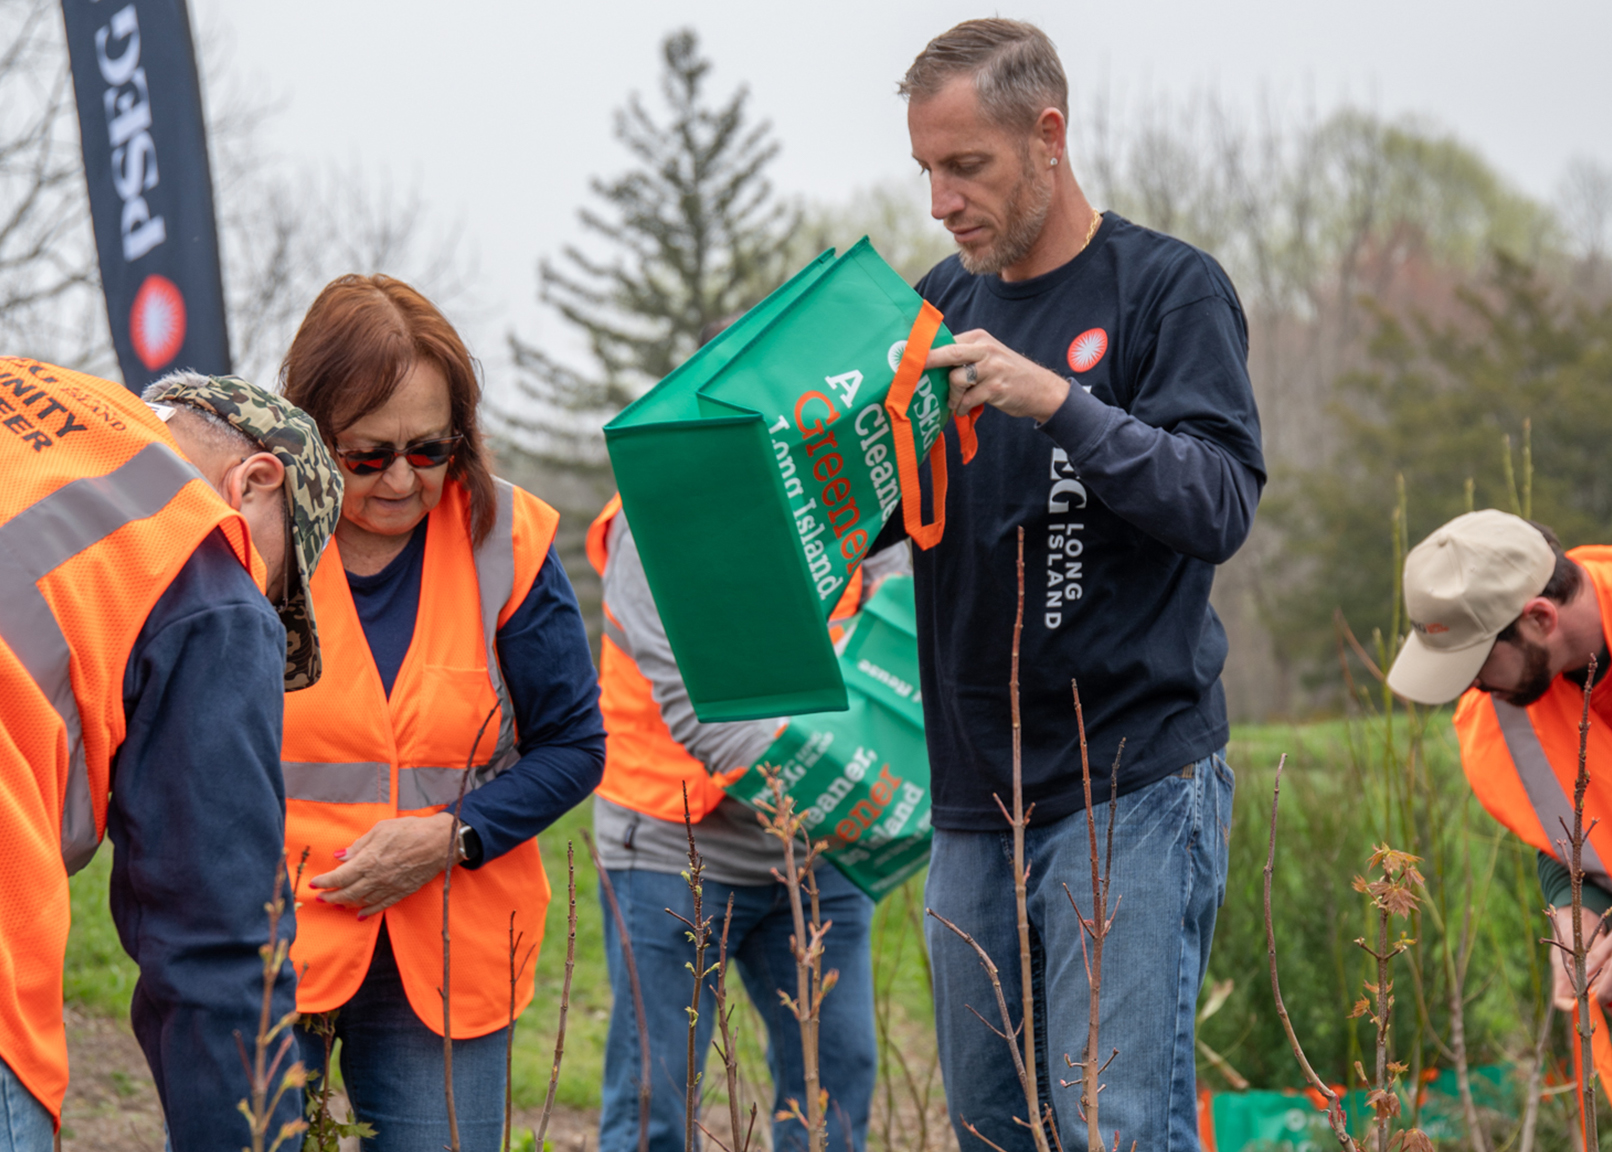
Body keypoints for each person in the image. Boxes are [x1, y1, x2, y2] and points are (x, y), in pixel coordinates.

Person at [878, 20, 1265, 1151]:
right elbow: (878, 513)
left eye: (968, 167)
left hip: (1132, 784)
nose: (941, 202)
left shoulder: (1167, 291)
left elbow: (1218, 503)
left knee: (1119, 1126)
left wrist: (1059, 404)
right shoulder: (935, 304)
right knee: (992, 1130)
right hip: (974, 794)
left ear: (1047, 137)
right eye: (926, 172)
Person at [276, 274, 605, 1152]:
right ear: (309, 433)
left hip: (450, 951)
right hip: (267, 944)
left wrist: (450, 835)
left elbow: (573, 745)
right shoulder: (244, 543)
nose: (401, 479)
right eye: (366, 455)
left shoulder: (510, 542)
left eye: (429, 450)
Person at [0, 360, 342, 1151]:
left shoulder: (30, 392)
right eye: (274, 577)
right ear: (254, 482)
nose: (253, 594)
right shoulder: (202, 562)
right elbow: (216, 931)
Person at [586, 315, 899, 1152]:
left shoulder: (836, 498)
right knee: (655, 1109)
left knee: (835, 1089)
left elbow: (894, 626)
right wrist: (847, 806)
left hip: (812, 851)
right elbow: (703, 713)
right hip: (671, 845)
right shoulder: (650, 520)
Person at [1386, 511, 1612, 1026]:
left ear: (1539, 619)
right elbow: (1566, 833)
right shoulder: (1506, 707)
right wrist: (1574, 909)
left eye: (1476, 663)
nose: (1473, 687)